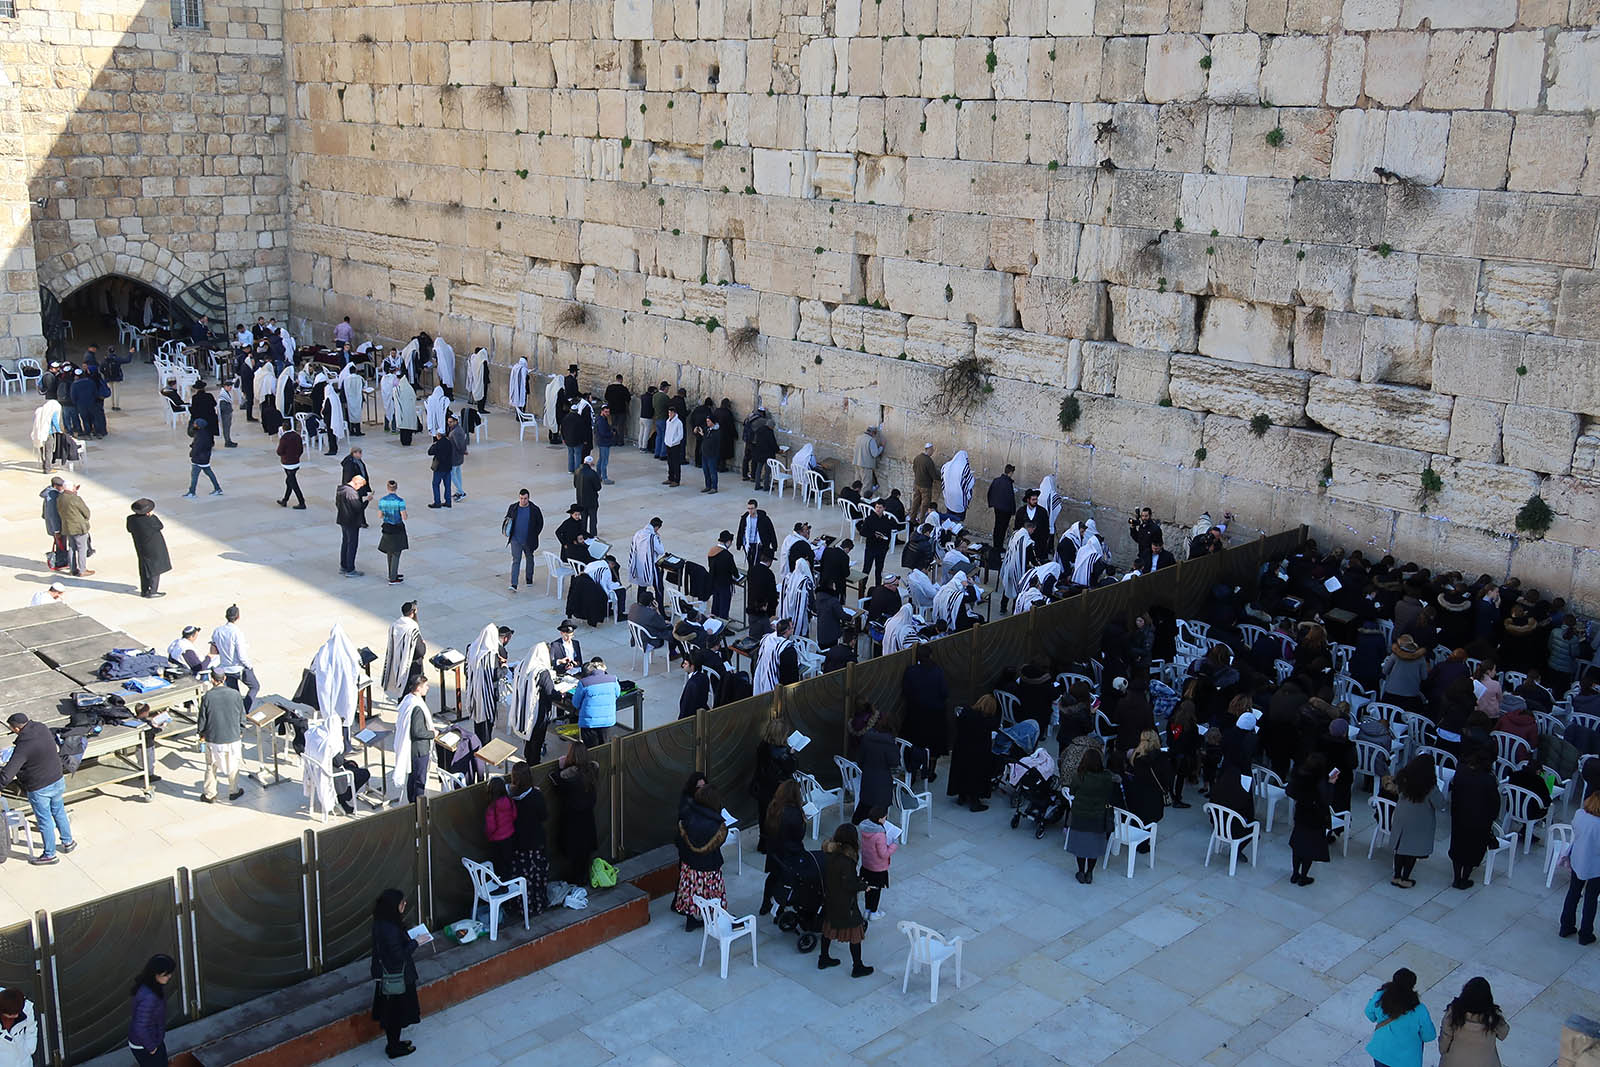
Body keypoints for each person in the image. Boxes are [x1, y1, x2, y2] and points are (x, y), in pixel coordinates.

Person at [0, 712, 76, 865]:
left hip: (40, 787)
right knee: (59, 811)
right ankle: (68, 841)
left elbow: (7, 775)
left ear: (16, 729)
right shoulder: (41, 727)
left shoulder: (24, 746)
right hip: (57, 778)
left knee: (44, 820)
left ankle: (50, 854)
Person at [369, 889, 421, 1059]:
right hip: (396, 977)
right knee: (396, 1015)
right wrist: (416, 942)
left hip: (389, 975)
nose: (404, 905)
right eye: (402, 903)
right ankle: (393, 1047)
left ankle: (395, 1043)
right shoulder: (390, 928)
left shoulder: (382, 922)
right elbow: (398, 955)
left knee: (393, 1013)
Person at [818, 822, 873, 976]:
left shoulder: (830, 854)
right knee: (855, 934)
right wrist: (863, 886)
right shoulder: (847, 861)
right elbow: (849, 884)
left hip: (831, 899)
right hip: (845, 904)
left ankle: (823, 958)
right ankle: (857, 966)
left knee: (828, 930)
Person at [673, 781, 729, 930]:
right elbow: (720, 842)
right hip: (709, 865)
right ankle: (714, 918)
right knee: (712, 893)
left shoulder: (687, 814)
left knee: (691, 892)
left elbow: (679, 839)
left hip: (690, 863)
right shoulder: (717, 824)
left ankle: (691, 921)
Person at [1388, 753, 1445, 888]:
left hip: (1401, 817)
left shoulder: (1403, 777)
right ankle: (1405, 879)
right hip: (1419, 823)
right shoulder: (1429, 786)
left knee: (1400, 848)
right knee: (1412, 850)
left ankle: (1396, 876)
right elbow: (1440, 804)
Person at [1447, 749, 1499, 889]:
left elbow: (1454, 794)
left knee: (1458, 847)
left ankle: (1456, 878)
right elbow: (1495, 802)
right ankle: (1464, 878)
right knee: (1473, 850)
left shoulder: (1461, 774)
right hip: (1479, 821)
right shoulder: (1488, 780)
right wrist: (1491, 817)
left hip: (1460, 817)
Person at [1364, 967, 1436, 1067]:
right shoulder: (1419, 1009)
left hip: (1381, 1052)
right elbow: (1429, 1036)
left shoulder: (1380, 996)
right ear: (1412, 986)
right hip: (1406, 1061)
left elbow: (1369, 1015)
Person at [551, 742, 600, 885]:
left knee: (574, 853)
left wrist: (561, 767)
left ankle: (576, 881)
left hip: (572, 820)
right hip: (588, 818)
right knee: (584, 852)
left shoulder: (567, 777)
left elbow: (556, 781)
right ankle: (583, 877)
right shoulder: (592, 771)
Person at [1067, 747, 1118, 883]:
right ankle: (1090, 872)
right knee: (1094, 847)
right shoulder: (1106, 778)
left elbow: (1072, 791)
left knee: (1080, 846)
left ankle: (1081, 871)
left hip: (1080, 816)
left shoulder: (1079, 776)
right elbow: (1109, 793)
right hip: (1098, 817)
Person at [197, 674, 247, 804]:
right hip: (233, 737)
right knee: (234, 765)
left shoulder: (207, 697)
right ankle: (234, 791)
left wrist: (201, 733)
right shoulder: (235, 694)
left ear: (212, 680)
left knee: (211, 766)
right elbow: (242, 714)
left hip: (214, 738)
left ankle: (210, 794)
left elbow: (202, 719)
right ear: (224, 678)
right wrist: (241, 730)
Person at [1437, 976, 1509, 1067]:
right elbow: (1504, 1033)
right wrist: (1496, 1012)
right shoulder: (1493, 1017)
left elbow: (1443, 1045)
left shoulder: (1453, 1013)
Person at [759, 778, 806, 916]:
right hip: (790, 852)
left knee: (773, 876)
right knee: (787, 880)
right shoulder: (795, 813)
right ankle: (780, 907)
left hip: (774, 850)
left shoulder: (773, 808)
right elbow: (799, 836)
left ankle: (765, 903)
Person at [1286, 753, 1333, 886]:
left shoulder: (1299, 776)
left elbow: (1289, 791)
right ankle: (1303, 876)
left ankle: (1295, 873)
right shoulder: (1319, 782)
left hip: (1301, 814)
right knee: (1309, 849)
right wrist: (1331, 784)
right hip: (1315, 818)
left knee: (1298, 846)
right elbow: (1327, 800)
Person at [1560, 792, 1600, 944]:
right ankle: (1585, 934)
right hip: (1596, 866)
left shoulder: (1579, 815)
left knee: (1573, 892)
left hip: (1578, 858)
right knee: (1591, 898)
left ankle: (1566, 926)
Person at [127, 954, 176, 1067]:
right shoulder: (150, 997)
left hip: (152, 1038)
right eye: (166, 974)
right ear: (155, 974)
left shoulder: (149, 985)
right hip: (145, 1044)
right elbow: (140, 1026)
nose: (170, 976)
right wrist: (151, 1047)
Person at [125, 498, 171, 598]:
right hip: (154, 548)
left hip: (141, 547)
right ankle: (153, 591)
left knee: (144, 568)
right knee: (155, 569)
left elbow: (129, 529)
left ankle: (145, 590)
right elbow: (160, 526)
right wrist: (152, 516)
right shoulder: (150, 520)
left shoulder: (131, 519)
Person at [858, 806, 898, 919]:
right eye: (885, 817)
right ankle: (873, 912)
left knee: (868, 888)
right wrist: (894, 845)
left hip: (866, 864)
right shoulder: (879, 834)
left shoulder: (864, 828)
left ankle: (867, 910)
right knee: (876, 890)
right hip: (878, 868)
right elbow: (883, 854)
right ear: (880, 819)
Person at [572, 658, 620, 747]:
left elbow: (575, 703)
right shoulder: (613, 679)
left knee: (591, 750)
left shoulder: (584, 683)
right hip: (607, 721)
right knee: (605, 748)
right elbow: (617, 694)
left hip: (589, 723)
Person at [53, 482, 92, 577]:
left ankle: (72, 569)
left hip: (67, 527)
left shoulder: (60, 498)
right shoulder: (75, 499)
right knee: (82, 548)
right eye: (74, 487)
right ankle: (82, 570)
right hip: (79, 527)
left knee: (71, 547)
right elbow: (86, 512)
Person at [374, 481, 408, 584]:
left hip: (387, 528)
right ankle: (393, 577)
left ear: (387, 488)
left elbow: (380, 515)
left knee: (389, 551)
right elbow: (404, 517)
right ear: (396, 488)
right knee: (396, 552)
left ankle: (392, 573)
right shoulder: (400, 501)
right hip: (397, 528)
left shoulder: (382, 501)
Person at [336, 474, 369, 578]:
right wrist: (367, 501)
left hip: (343, 520)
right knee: (352, 545)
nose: (359, 488)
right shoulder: (352, 493)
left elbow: (337, 504)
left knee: (345, 542)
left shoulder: (341, 489)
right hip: (352, 522)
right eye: (360, 486)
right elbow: (358, 508)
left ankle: (344, 566)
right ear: (356, 483)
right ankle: (350, 569)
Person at [183, 416, 223, 498]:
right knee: (209, 473)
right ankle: (217, 488)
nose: (194, 425)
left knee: (194, 476)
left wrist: (192, 454)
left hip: (198, 459)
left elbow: (197, 447)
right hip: (205, 458)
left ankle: (192, 492)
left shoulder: (200, 435)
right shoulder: (205, 433)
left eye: (195, 424)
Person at [736, 499, 776, 574]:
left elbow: (771, 531)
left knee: (757, 562)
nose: (750, 511)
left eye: (752, 508)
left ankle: (755, 574)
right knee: (750, 562)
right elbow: (741, 530)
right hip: (748, 544)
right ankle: (751, 574)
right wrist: (739, 544)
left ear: (756, 508)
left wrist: (774, 545)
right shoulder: (745, 518)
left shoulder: (764, 519)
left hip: (758, 544)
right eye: (748, 508)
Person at [0, 987, 38, 1067]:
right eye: (11, 1014)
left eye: (18, 1012)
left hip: (24, 1062)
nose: (16, 1016)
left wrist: (30, 1047)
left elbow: (31, 1027)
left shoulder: (25, 1008)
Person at [706, 530, 739, 618]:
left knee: (716, 603)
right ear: (728, 542)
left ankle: (714, 620)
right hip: (725, 583)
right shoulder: (727, 555)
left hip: (714, 582)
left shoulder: (711, 551)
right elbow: (734, 571)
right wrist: (737, 576)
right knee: (724, 606)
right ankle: (722, 623)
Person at [275, 424, 306, 508]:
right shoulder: (297, 436)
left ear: (283, 429)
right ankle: (285, 500)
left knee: (293, 483)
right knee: (289, 481)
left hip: (288, 464)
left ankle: (302, 502)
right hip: (296, 462)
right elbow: (301, 449)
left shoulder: (284, 438)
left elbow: (279, 452)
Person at [574, 455, 602, 536]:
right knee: (593, 519)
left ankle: (583, 535)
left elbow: (575, 485)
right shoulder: (593, 473)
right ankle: (593, 535)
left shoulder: (577, 471)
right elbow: (598, 487)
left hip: (580, 501)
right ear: (591, 463)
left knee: (583, 519)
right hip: (591, 501)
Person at [910, 442, 938, 522]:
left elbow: (914, 469)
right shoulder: (928, 461)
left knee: (915, 503)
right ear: (928, 449)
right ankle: (922, 522)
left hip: (917, 484)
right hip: (926, 486)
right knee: (925, 505)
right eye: (932, 450)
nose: (932, 451)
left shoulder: (917, 458)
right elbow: (934, 475)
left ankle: (912, 519)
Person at [426, 431, 454, 509]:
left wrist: (433, 444)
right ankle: (448, 502)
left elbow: (430, 452)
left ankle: (437, 502)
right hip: (448, 467)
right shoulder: (449, 442)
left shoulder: (438, 444)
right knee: (447, 485)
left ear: (438, 435)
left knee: (435, 484)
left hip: (439, 468)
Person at [853, 425, 883, 495]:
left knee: (858, 483)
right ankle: (862, 500)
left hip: (857, 462)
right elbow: (875, 454)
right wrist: (881, 447)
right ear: (873, 433)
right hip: (866, 465)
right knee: (866, 484)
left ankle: (855, 497)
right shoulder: (871, 440)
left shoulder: (859, 437)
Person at [662, 407, 685, 486]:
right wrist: (666, 441)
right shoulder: (667, 421)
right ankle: (670, 478)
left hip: (675, 445)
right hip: (668, 444)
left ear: (674, 413)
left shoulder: (679, 423)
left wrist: (674, 442)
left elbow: (680, 435)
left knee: (676, 463)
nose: (670, 414)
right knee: (670, 462)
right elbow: (667, 432)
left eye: (671, 413)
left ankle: (676, 480)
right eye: (669, 413)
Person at [699, 414, 721, 493]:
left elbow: (711, 441)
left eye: (708, 421)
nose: (707, 423)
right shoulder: (707, 429)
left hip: (712, 454)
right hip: (705, 453)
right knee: (706, 471)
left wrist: (703, 435)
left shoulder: (717, 431)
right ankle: (708, 486)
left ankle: (714, 487)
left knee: (712, 471)